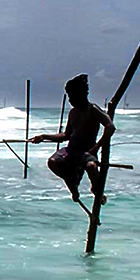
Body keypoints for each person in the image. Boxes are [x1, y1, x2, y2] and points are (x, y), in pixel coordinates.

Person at [30, 74, 115, 205]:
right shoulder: (73, 112)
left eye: (72, 96)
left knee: (91, 166)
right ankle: (72, 184)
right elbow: (66, 135)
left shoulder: (92, 109)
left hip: (87, 151)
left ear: (81, 95)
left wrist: (96, 148)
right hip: (71, 149)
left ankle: (96, 189)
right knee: (53, 162)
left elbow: (110, 127)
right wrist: (44, 136)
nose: (69, 100)